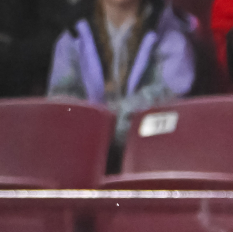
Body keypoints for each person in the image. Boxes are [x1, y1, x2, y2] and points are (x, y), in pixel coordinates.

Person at [48, 0, 197, 145]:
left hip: (151, 147)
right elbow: (61, 103)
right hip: (87, 148)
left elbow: (171, 93)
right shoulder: (73, 35)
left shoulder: (170, 32)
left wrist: (112, 123)